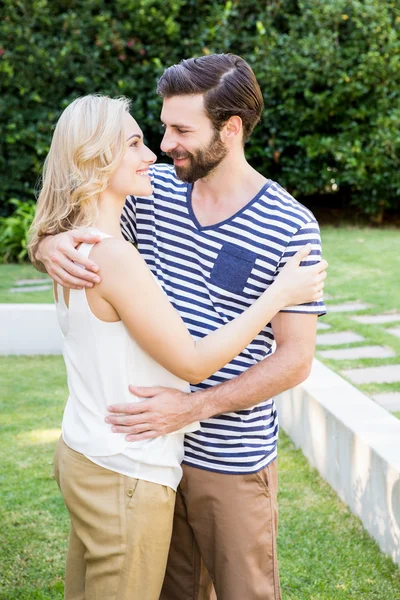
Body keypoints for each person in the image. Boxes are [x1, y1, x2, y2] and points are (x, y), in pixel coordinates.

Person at [34, 54, 327, 600]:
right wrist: (46, 244)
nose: (165, 144)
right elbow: (78, 218)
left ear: (231, 129)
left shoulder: (292, 225)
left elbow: (295, 360)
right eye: (162, 126)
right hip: (147, 459)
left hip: (228, 462)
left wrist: (194, 408)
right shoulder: (153, 192)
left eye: (181, 130)